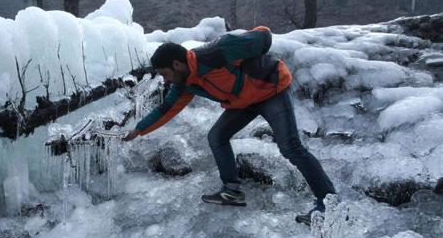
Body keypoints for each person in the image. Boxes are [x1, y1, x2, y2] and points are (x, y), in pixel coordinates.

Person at [122, 27, 335, 225]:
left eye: (165, 74)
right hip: (243, 102)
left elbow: (264, 36)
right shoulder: (185, 82)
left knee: (290, 147)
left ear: (177, 65)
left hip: (271, 90)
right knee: (217, 137)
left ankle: (328, 206)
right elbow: (165, 109)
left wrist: (254, 54)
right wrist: (138, 130)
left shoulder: (217, 52)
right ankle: (232, 191)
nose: (166, 80)